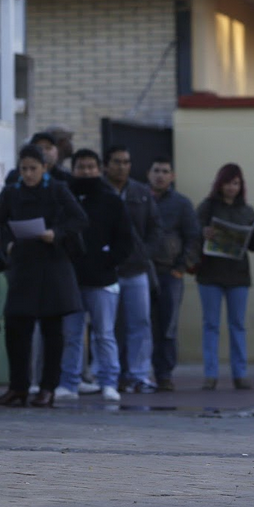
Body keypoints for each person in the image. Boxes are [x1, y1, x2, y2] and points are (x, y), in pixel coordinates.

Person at [0, 145, 88, 407]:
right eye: (24, 168)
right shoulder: (12, 192)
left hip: (52, 266)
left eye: (33, 168)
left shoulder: (57, 189)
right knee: (16, 328)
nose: (28, 174)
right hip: (23, 266)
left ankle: (48, 388)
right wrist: (8, 244)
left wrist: (55, 233)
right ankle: (18, 387)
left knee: (52, 330)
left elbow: (79, 219)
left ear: (44, 168)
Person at [55, 149, 132, 403]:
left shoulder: (111, 200)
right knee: (72, 335)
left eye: (91, 167)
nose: (86, 172)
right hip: (71, 280)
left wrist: (107, 261)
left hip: (103, 281)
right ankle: (69, 383)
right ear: (73, 168)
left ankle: (109, 382)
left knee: (105, 334)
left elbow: (125, 241)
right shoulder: (65, 198)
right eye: (81, 167)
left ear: (99, 169)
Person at [191, 163, 254, 390]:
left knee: (237, 325)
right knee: (211, 325)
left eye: (236, 183)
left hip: (238, 275)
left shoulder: (246, 211)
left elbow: (253, 246)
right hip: (210, 274)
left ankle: (240, 374)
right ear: (219, 184)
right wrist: (203, 233)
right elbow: (193, 232)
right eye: (227, 183)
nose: (231, 188)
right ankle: (211, 374)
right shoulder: (207, 207)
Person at [103, 145, 161, 393]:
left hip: (136, 268)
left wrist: (145, 252)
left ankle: (138, 374)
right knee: (105, 326)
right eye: (117, 162)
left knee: (140, 322)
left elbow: (155, 227)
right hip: (107, 269)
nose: (122, 167)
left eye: (126, 162)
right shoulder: (100, 190)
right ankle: (107, 374)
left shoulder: (140, 191)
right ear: (106, 165)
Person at [147, 156, 199, 391]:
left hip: (170, 274)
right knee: (140, 324)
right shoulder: (140, 199)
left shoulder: (181, 204)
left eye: (165, 171)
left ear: (172, 176)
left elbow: (193, 238)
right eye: (156, 170)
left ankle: (164, 374)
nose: (160, 175)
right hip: (143, 272)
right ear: (149, 174)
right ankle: (136, 373)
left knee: (167, 326)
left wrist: (181, 267)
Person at [5, 131, 72, 185]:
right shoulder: (15, 177)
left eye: (48, 148)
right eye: (39, 148)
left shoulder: (64, 179)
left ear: (57, 152)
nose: (44, 152)